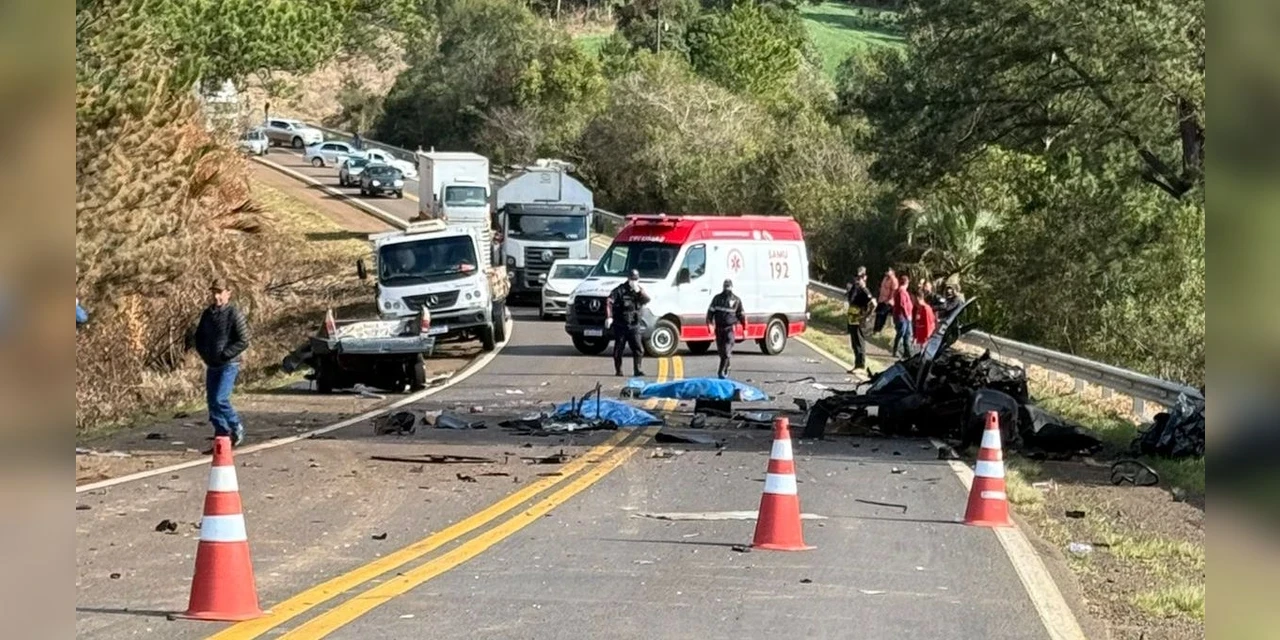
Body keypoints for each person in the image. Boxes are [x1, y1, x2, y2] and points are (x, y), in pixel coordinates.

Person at [190, 279, 251, 446]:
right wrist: (204, 353)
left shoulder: (234, 314)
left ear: (228, 294)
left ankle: (235, 426)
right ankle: (222, 435)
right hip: (212, 363)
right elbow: (199, 337)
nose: (217, 296)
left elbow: (244, 340)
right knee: (211, 401)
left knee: (220, 399)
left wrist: (226, 354)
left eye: (220, 293)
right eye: (214, 293)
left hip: (229, 363)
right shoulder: (207, 314)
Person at [607, 269, 650, 377]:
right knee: (619, 349)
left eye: (636, 279)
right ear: (628, 279)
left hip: (634, 325)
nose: (634, 281)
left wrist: (639, 292)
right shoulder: (620, 290)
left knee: (638, 349)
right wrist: (609, 317)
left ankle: (638, 370)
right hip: (621, 324)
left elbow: (647, 300)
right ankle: (618, 370)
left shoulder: (639, 290)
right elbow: (609, 301)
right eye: (632, 279)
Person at [706, 278, 747, 379]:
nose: (727, 289)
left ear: (732, 287)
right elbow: (710, 313)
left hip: (730, 329)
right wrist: (710, 324)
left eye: (728, 287)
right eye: (725, 286)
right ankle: (727, 364)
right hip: (719, 329)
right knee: (721, 352)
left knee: (726, 350)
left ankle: (721, 372)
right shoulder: (717, 299)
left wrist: (745, 329)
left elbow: (741, 315)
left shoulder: (736, 300)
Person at [844, 267, 876, 373]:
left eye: (860, 277)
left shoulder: (864, 290)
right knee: (854, 342)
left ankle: (861, 365)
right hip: (852, 319)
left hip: (859, 319)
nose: (858, 280)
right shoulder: (854, 289)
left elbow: (873, 304)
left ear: (865, 278)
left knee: (859, 342)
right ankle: (856, 364)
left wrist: (866, 317)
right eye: (856, 277)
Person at [891, 274, 914, 358]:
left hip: (906, 317)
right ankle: (895, 350)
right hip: (902, 316)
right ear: (906, 283)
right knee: (901, 333)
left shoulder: (903, 291)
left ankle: (907, 352)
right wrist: (907, 314)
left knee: (907, 334)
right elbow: (902, 304)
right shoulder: (901, 292)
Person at [873, 268, 898, 335]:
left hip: (888, 302)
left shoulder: (894, 280)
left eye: (888, 271)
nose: (886, 272)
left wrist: (888, 300)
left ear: (892, 272)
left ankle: (878, 330)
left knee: (882, 315)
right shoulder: (885, 278)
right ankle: (875, 330)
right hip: (881, 299)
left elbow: (894, 291)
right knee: (878, 315)